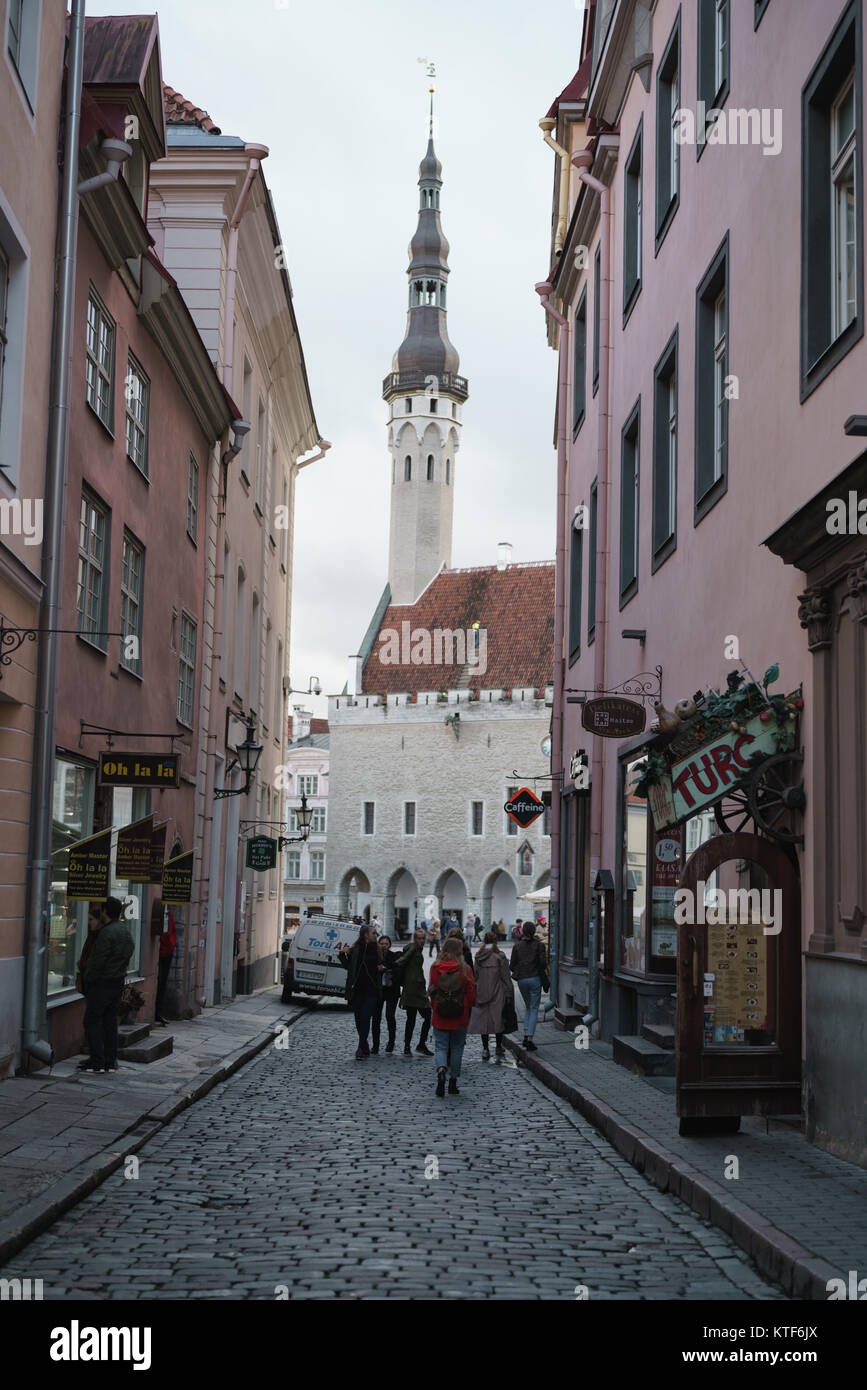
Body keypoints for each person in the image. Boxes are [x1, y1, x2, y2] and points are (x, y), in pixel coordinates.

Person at [79, 898, 134, 1073]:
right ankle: (110, 1060)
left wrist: (88, 979)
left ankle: (98, 1061)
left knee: (91, 1022)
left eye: (101, 911)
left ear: (104, 912)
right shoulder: (125, 931)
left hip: (101, 984)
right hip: (116, 983)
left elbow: (97, 961)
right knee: (110, 1023)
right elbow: (129, 951)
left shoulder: (107, 933)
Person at [428, 936, 476, 1096]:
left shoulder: (435, 967)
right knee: (457, 1048)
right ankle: (453, 1081)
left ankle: (441, 1069)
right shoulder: (465, 969)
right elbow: (471, 994)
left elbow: (432, 990)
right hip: (459, 1014)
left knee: (441, 1046)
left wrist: (434, 1003)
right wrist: (468, 1006)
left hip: (440, 1013)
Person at [340, 924, 382, 1060]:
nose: (376, 935)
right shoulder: (356, 949)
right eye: (374, 933)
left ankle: (360, 1047)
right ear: (366, 935)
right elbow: (348, 966)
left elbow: (386, 964)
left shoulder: (378, 949)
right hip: (357, 990)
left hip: (372, 990)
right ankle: (364, 1044)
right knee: (358, 1019)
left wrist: (383, 968)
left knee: (365, 1018)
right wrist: (342, 954)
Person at [468, 931, 513, 1059]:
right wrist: (509, 993)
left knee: (484, 1022)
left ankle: (485, 1049)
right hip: (497, 991)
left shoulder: (479, 956)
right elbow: (505, 977)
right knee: (498, 1019)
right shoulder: (500, 956)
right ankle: (498, 1047)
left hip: (481, 991)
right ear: (495, 941)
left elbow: (475, 975)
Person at [509, 919, 549, 1052]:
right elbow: (543, 964)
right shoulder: (539, 945)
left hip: (522, 980)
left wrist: (521, 968)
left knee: (528, 1007)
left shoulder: (517, 946)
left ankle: (526, 1035)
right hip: (535, 978)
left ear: (523, 932)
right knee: (533, 1009)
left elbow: (511, 965)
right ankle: (529, 1039)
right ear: (533, 932)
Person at [397, 926, 433, 1055]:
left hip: (415, 988)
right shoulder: (413, 948)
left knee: (417, 1018)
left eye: (423, 938)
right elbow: (403, 959)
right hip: (414, 990)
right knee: (424, 1017)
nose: (422, 940)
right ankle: (414, 1045)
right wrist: (393, 965)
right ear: (415, 939)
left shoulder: (417, 948)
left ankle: (415, 1045)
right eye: (419, 938)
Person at [371, 935, 400, 1054]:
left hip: (391, 991)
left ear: (389, 945)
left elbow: (398, 970)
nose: (384, 946)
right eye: (381, 943)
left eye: (386, 944)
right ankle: (375, 1045)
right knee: (376, 1018)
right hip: (378, 991)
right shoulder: (374, 957)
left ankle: (391, 1043)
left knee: (390, 1017)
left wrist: (390, 976)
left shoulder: (394, 956)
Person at [153, 900, 176, 1026]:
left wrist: (171, 946)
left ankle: (158, 1012)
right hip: (161, 951)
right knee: (159, 981)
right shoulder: (161, 912)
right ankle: (156, 1012)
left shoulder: (169, 914)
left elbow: (171, 932)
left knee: (162, 983)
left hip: (167, 952)